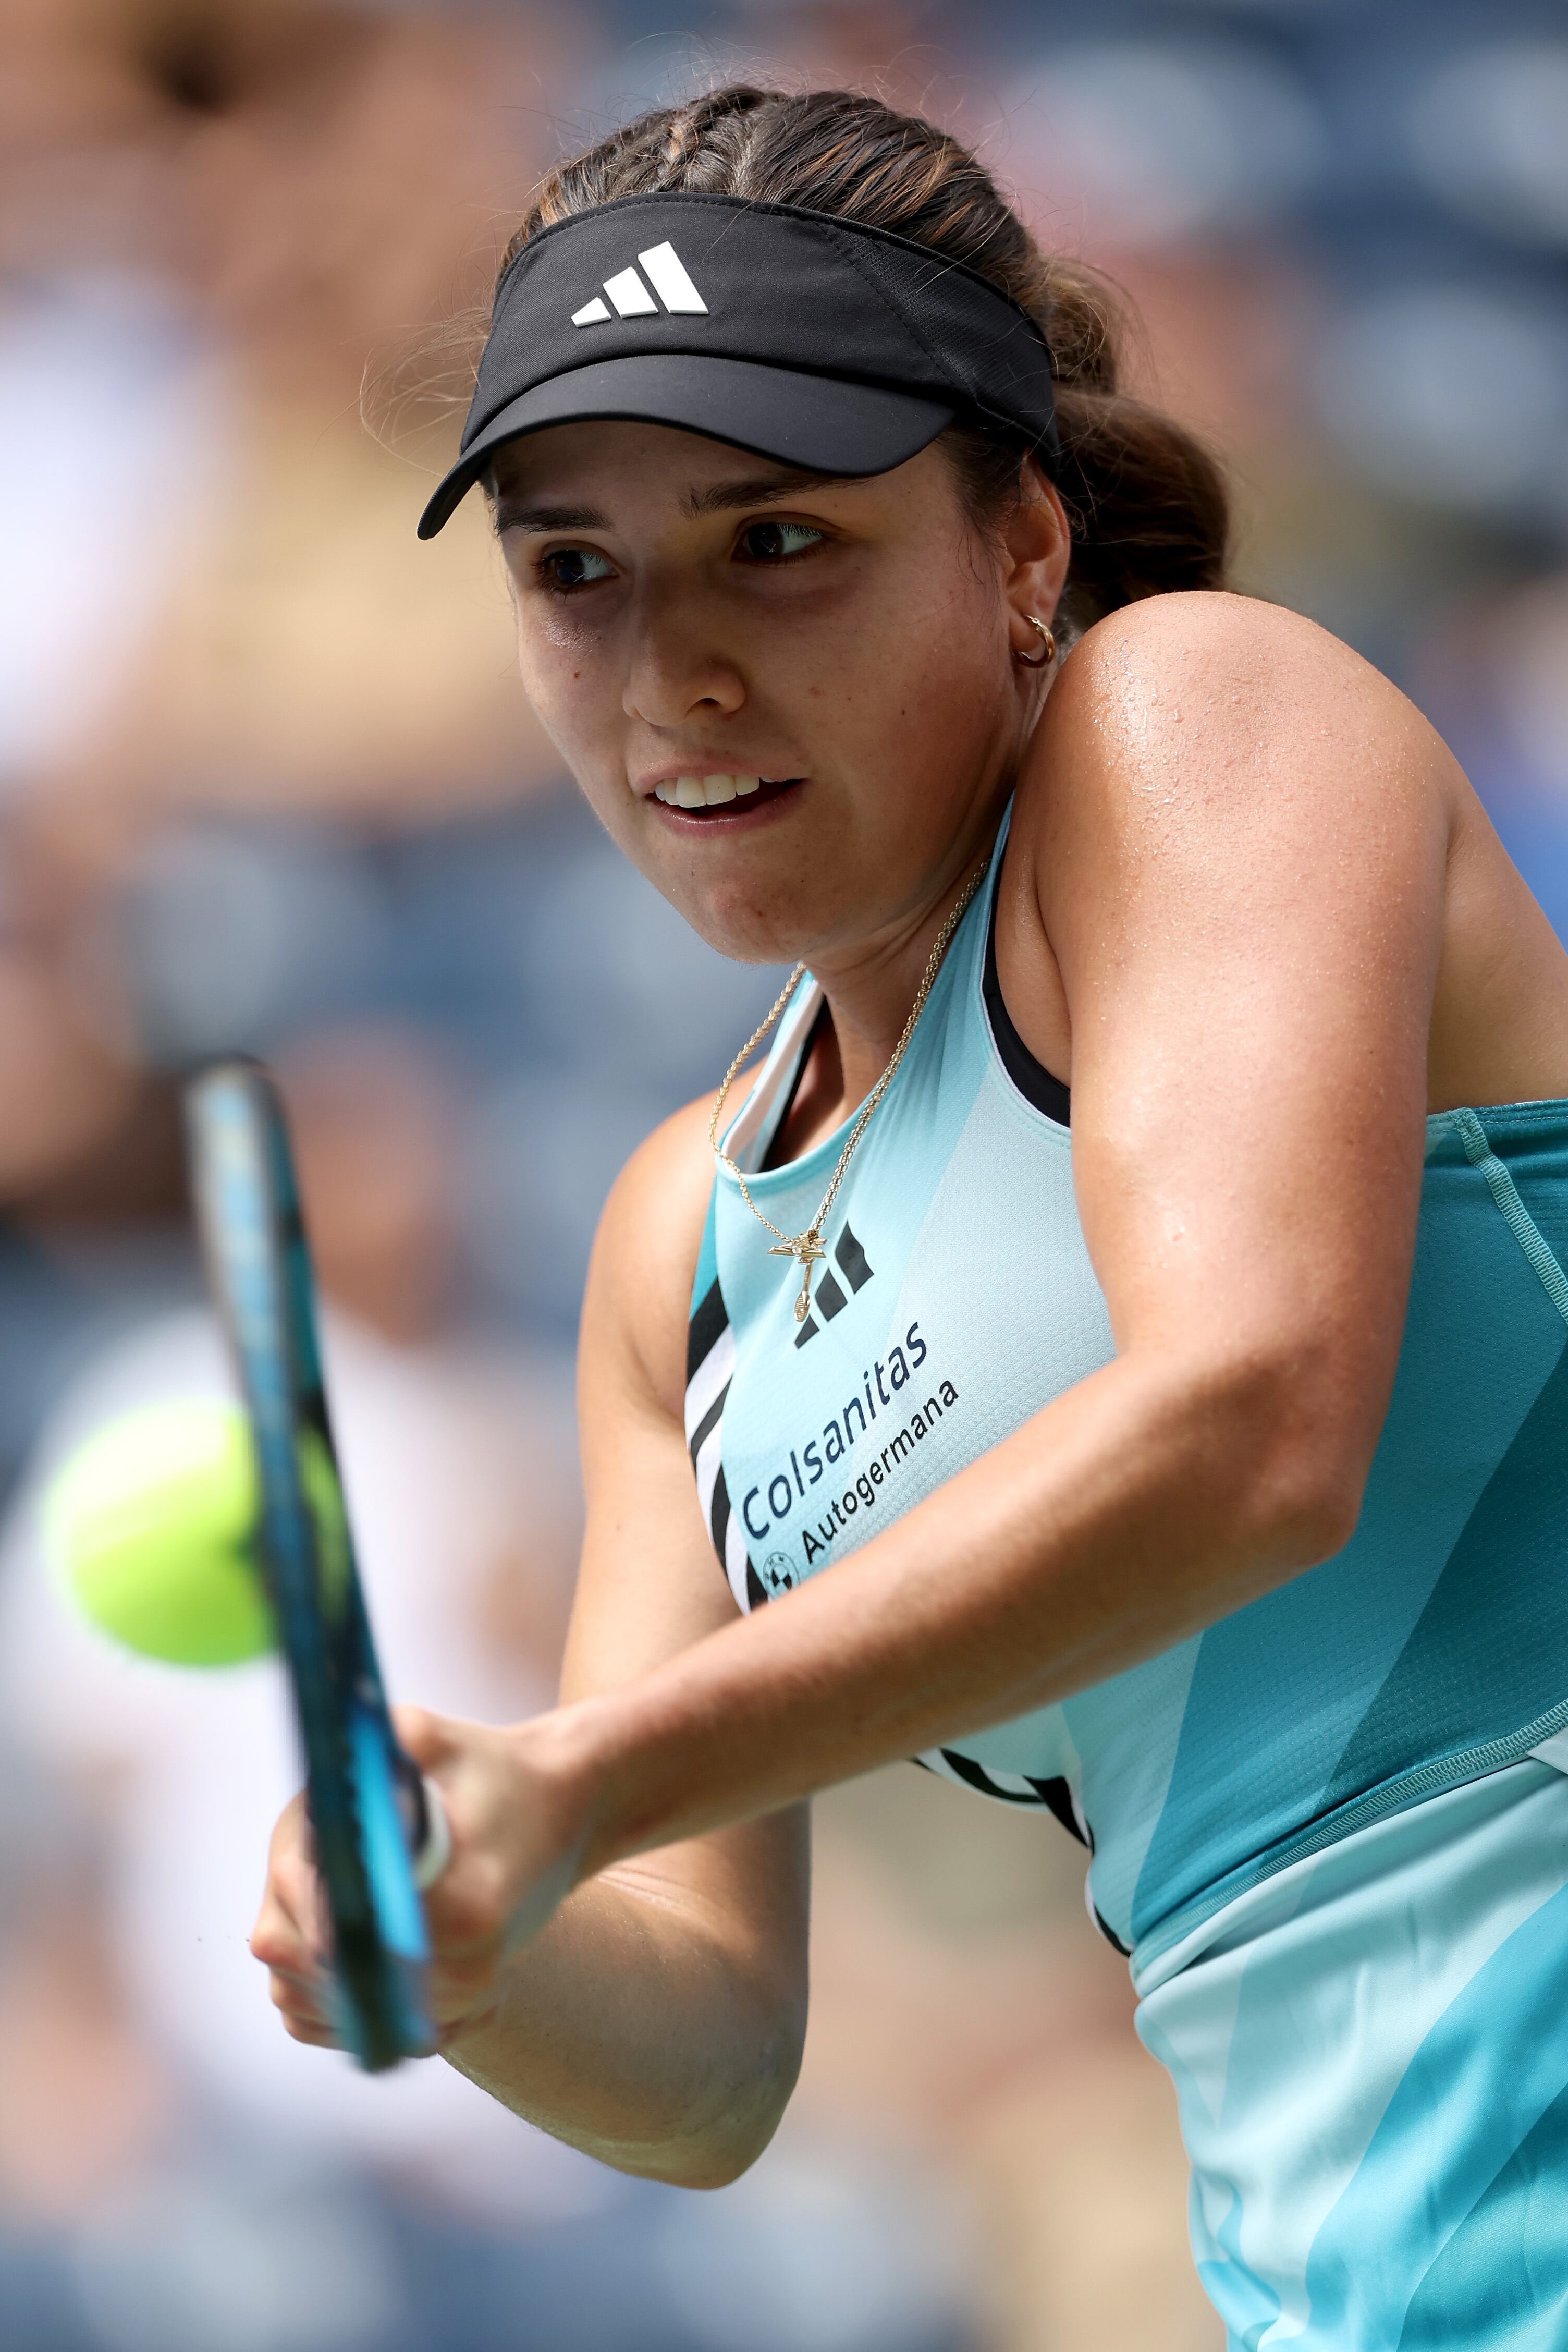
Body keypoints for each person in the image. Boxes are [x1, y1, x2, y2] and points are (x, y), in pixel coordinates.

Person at [253, 86, 1568, 2346]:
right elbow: (706, 2057)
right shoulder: (674, 1245)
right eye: (573, 566)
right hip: (1360, 2273)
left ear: (1025, 550)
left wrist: (576, 1778)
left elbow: (1255, 1419)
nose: (670, 669)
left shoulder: (1199, 718)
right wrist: (465, 1930)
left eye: (777, 542)